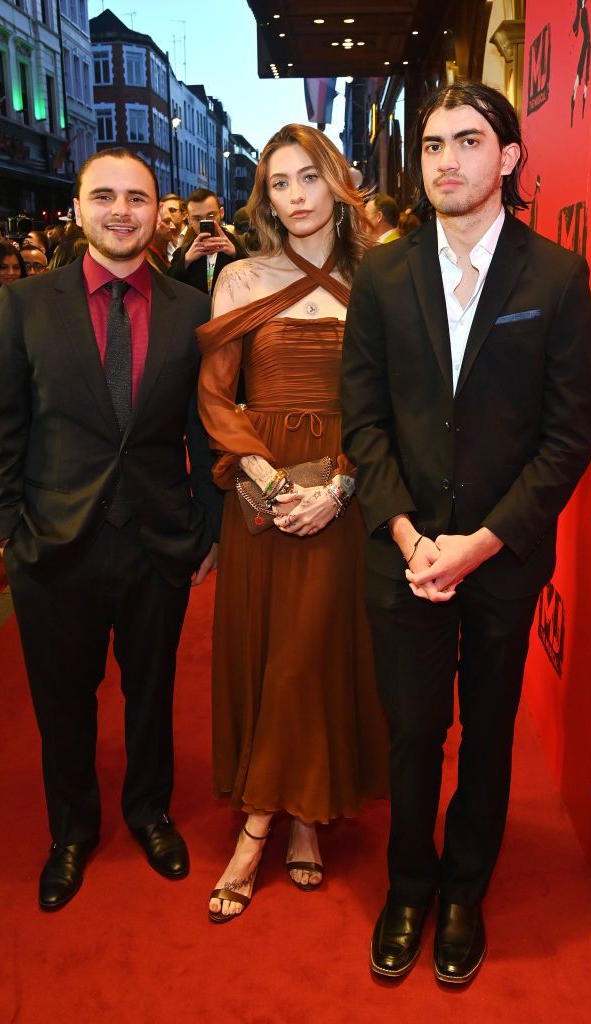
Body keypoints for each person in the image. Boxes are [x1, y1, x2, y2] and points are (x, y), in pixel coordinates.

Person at [341, 82, 591, 985]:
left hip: (498, 561)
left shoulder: (556, 279)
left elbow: (567, 438)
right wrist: (411, 538)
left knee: (487, 732)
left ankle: (462, 892)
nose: (445, 160)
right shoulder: (379, 273)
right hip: (401, 555)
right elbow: (362, 422)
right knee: (413, 732)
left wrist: (481, 542)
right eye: (431, 145)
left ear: (509, 159)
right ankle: (407, 885)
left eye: (467, 141)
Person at [0, 148, 223, 912]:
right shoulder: (24, 305)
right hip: (52, 543)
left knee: (151, 691)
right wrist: (6, 530)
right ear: (80, 208)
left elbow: (205, 429)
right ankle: (72, 831)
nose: (122, 211)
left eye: (138, 198)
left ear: (157, 212)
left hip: (157, 538)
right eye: (105, 196)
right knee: (62, 699)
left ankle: (149, 811)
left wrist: (207, 528)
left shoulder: (190, 308)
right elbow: (1, 428)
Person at [197, 124, 388, 924]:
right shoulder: (239, 278)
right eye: (279, 183)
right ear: (264, 197)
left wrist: (338, 487)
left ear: (336, 180)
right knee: (272, 650)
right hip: (263, 494)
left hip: (343, 490)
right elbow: (213, 396)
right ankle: (294, 816)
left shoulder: (377, 277)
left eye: (308, 177)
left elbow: (388, 401)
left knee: (310, 652)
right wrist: (266, 478)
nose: (296, 195)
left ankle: (273, 820)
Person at [169, 188, 245, 295]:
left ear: (221, 213)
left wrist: (236, 254)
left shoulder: (241, 245)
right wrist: (186, 261)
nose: (205, 222)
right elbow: (169, 287)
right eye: (197, 219)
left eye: (211, 216)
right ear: (189, 220)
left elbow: (255, 279)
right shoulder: (182, 253)